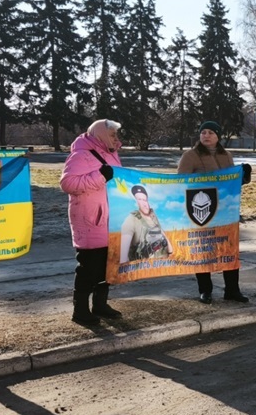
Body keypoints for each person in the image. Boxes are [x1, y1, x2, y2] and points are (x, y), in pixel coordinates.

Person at [61, 119, 125, 327]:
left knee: (107, 266)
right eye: (113, 134)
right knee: (89, 267)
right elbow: (68, 184)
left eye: (116, 134)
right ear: (100, 134)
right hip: (91, 219)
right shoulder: (81, 155)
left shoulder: (111, 153)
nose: (116, 138)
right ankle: (80, 311)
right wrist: (99, 177)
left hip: (112, 218)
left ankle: (100, 305)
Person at [176, 121, 249, 303]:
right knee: (203, 251)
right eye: (203, 132)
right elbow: (180, 183)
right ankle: (205, 290)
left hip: (224, 211)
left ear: (218, 136)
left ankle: (232, 290)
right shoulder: (190, 156)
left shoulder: (226, 155)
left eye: (210, 132)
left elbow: (230, 184)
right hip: (201, 210)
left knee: (228, 249)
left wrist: (243, 176)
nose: (205, 136)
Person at [120, 185, 174, 262]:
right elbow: (123, 259)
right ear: (135, 202)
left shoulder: (153, 216)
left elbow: (161, 231)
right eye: (140, 199)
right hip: (144, 269)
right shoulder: (131, 220)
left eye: (145, 200)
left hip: (162, 265)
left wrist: (170, 251)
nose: (144, 203)